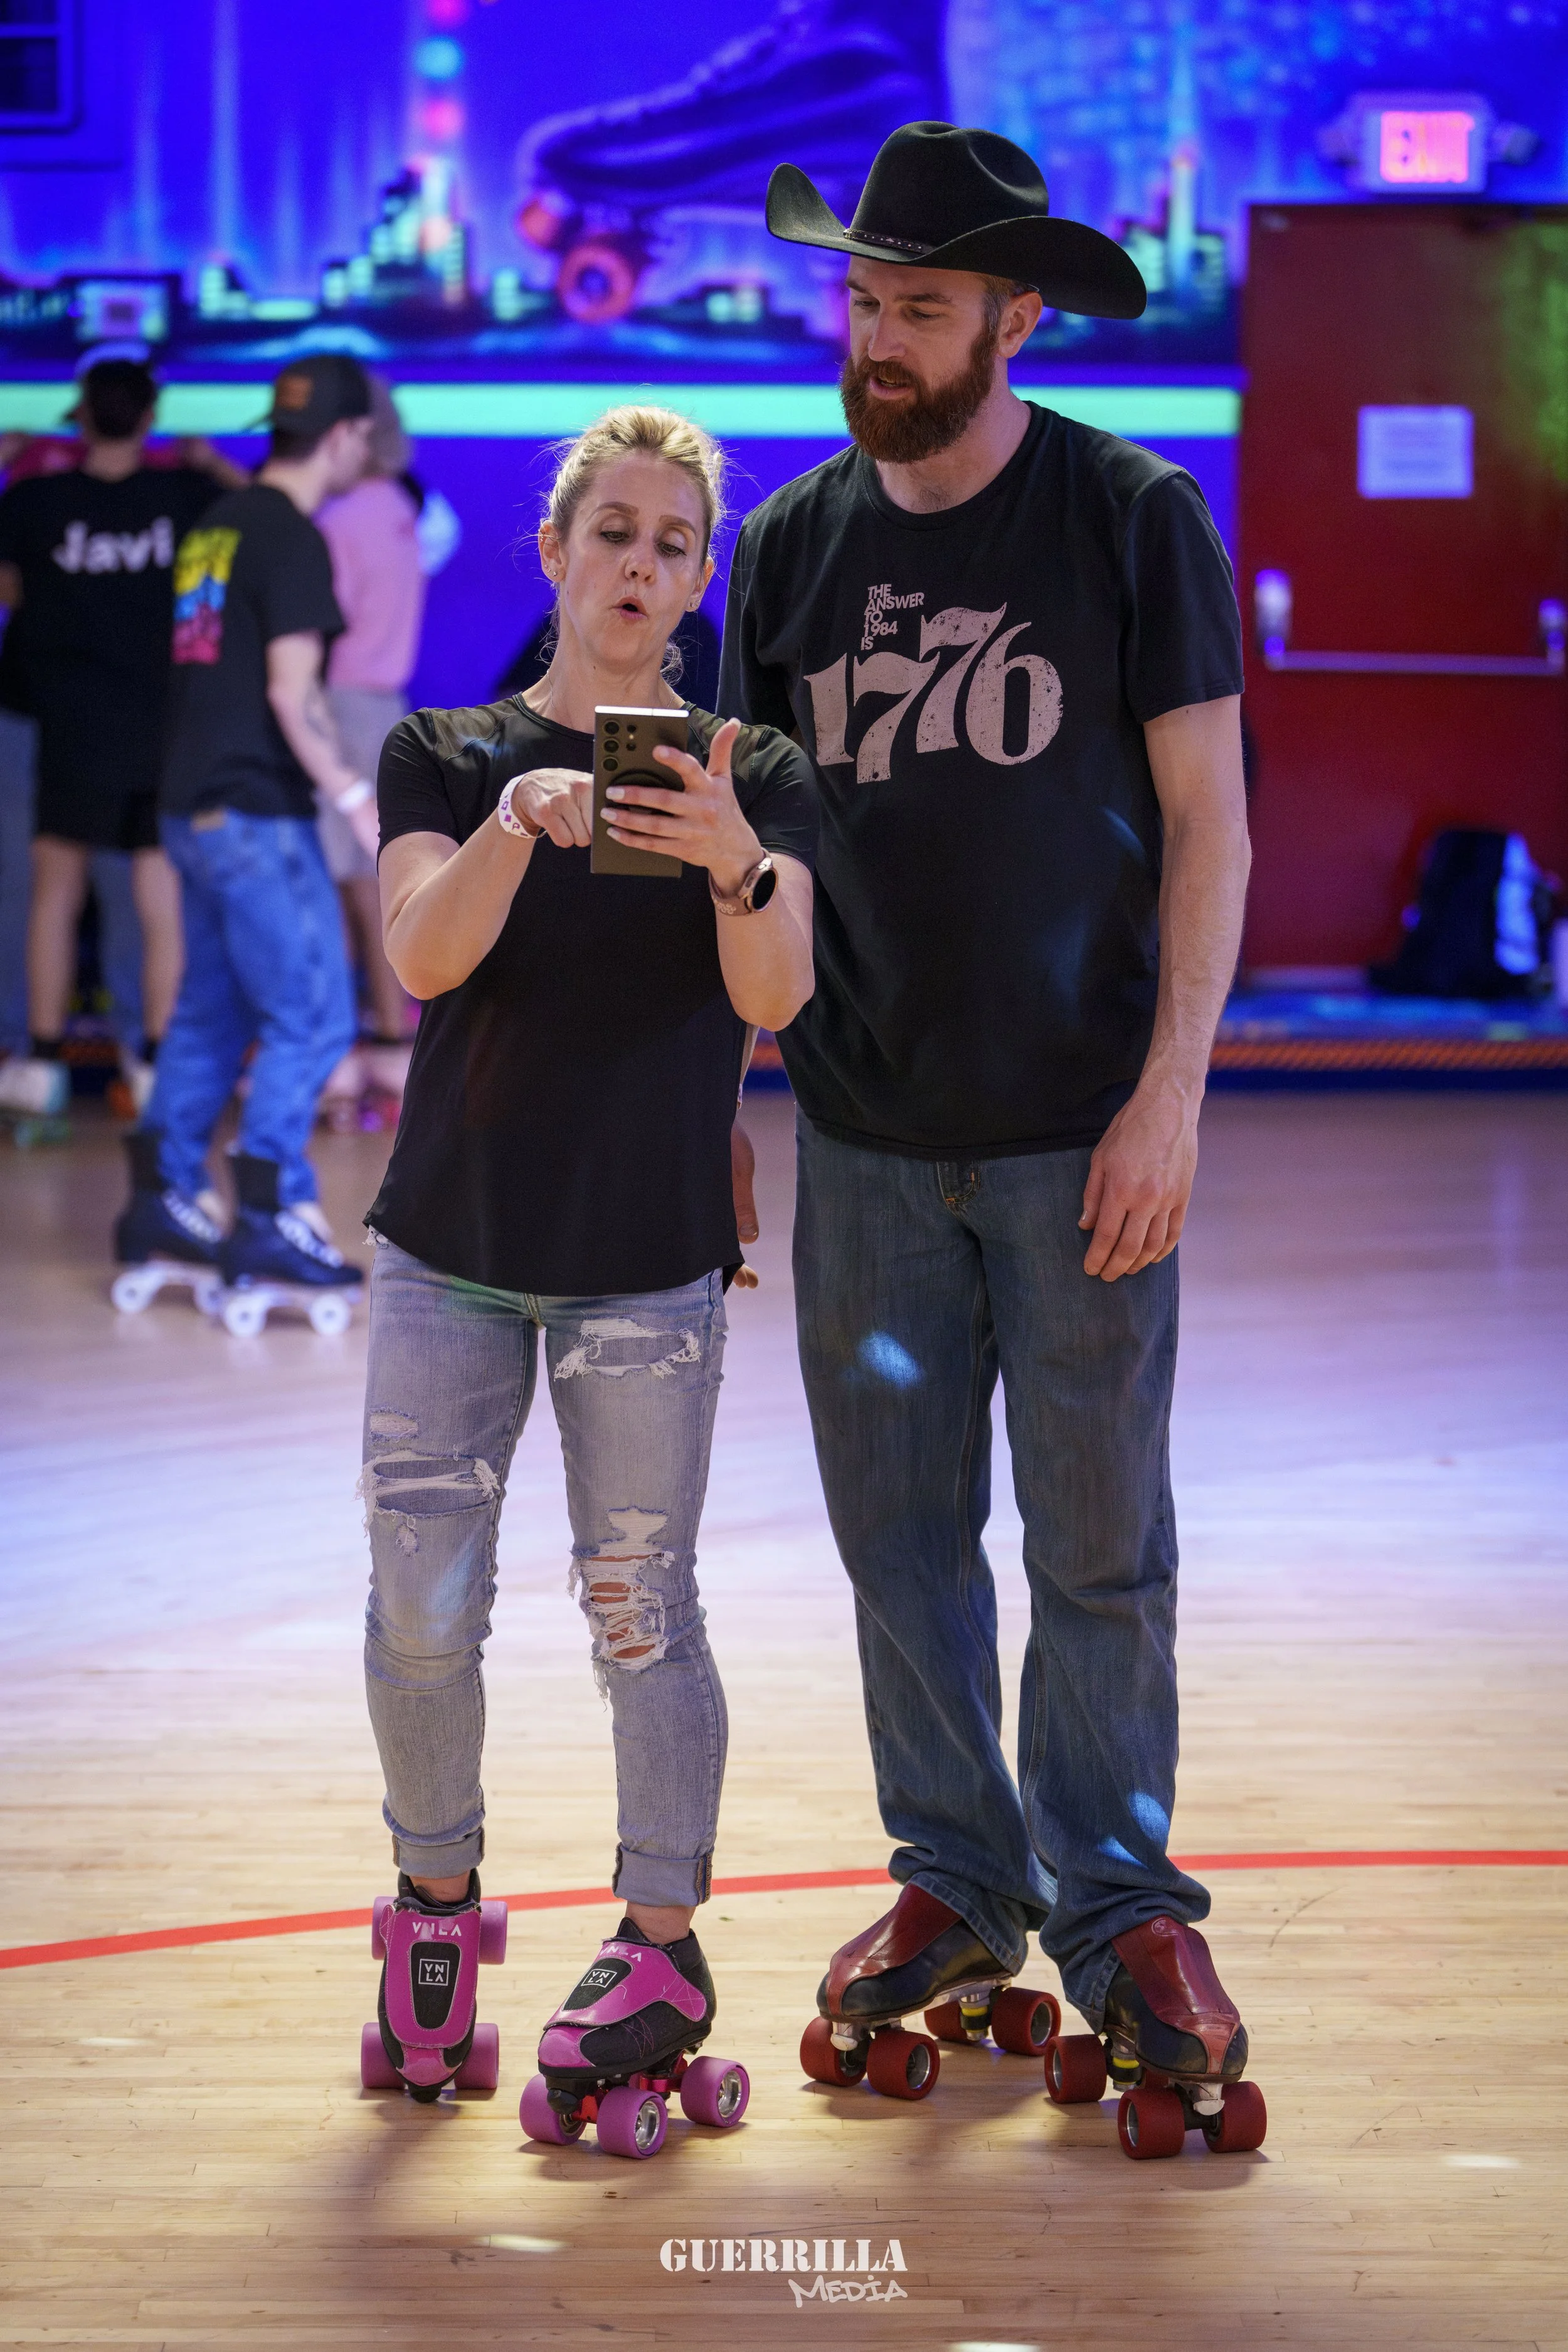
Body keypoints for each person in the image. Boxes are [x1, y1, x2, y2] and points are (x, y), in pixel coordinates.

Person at [719, 123, 1260, 2133]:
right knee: (899, 1543)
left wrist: (1170, 1096)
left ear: (1015, 318)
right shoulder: (782, 552)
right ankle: (951, 1881)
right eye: (858, 301)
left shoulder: (1130, 523)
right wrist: (720, 1104)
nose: (874, 339)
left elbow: (1207, 826)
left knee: (1099, 1545)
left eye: (918, 307)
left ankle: (1119, 1903)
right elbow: (735, 859)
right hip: (859, 1134)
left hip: (1079, 1136)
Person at [358, 405, 815, 2110]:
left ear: (700, 580)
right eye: (609, 531)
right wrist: (513, 823)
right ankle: (434, 1904)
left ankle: (659, 1932)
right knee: (421, 1610)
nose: (638, 563)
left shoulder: (747, 772)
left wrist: (733, 863)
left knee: (639, 1608)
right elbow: (420, 953)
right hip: (451, 1249)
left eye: (671, 542)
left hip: (643, 1263)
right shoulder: (445, 749)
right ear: (554, 552)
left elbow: (779, 995)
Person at [114, 354, 379, 1293]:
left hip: (189, 809)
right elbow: (290, 691)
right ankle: (267, 1212)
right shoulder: (292, 537)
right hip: (255, 814)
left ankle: (161, 1196)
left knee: (210, 1013)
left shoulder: (214, 529)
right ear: (346, 436)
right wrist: (357, 800)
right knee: (314, 1014)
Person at [0, 361, 223, 1121]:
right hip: (157, 726)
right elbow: (265, 514)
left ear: (79, 416)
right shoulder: (186, 496)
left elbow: (10, 593)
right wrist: (207, 459)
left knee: (52, 894)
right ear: (151, 414)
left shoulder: (35, 500)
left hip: (65, 725)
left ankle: (39, 1062)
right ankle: (156, 1062)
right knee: (160, 897)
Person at [314, 376, 425, 1120]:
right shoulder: (398, 510)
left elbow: (319, 624)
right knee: (371, 886)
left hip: (336, 705)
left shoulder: (337, 516)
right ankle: (390, 1041)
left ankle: (335, 1058)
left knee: (332, 885)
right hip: (384, 704)